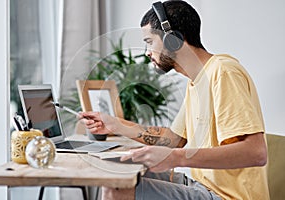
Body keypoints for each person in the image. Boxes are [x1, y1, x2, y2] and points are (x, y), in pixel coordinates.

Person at [79, 1, 270, 199]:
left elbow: (256, 152)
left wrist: (175, 159)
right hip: (204, 186)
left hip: (228, 197)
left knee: (115, 189)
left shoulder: (223, 72)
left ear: (173, 40)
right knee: (115, 177)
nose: (147, 53)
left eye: (149, 42)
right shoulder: (196, 81)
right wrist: (115, 125)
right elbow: (173, 140)